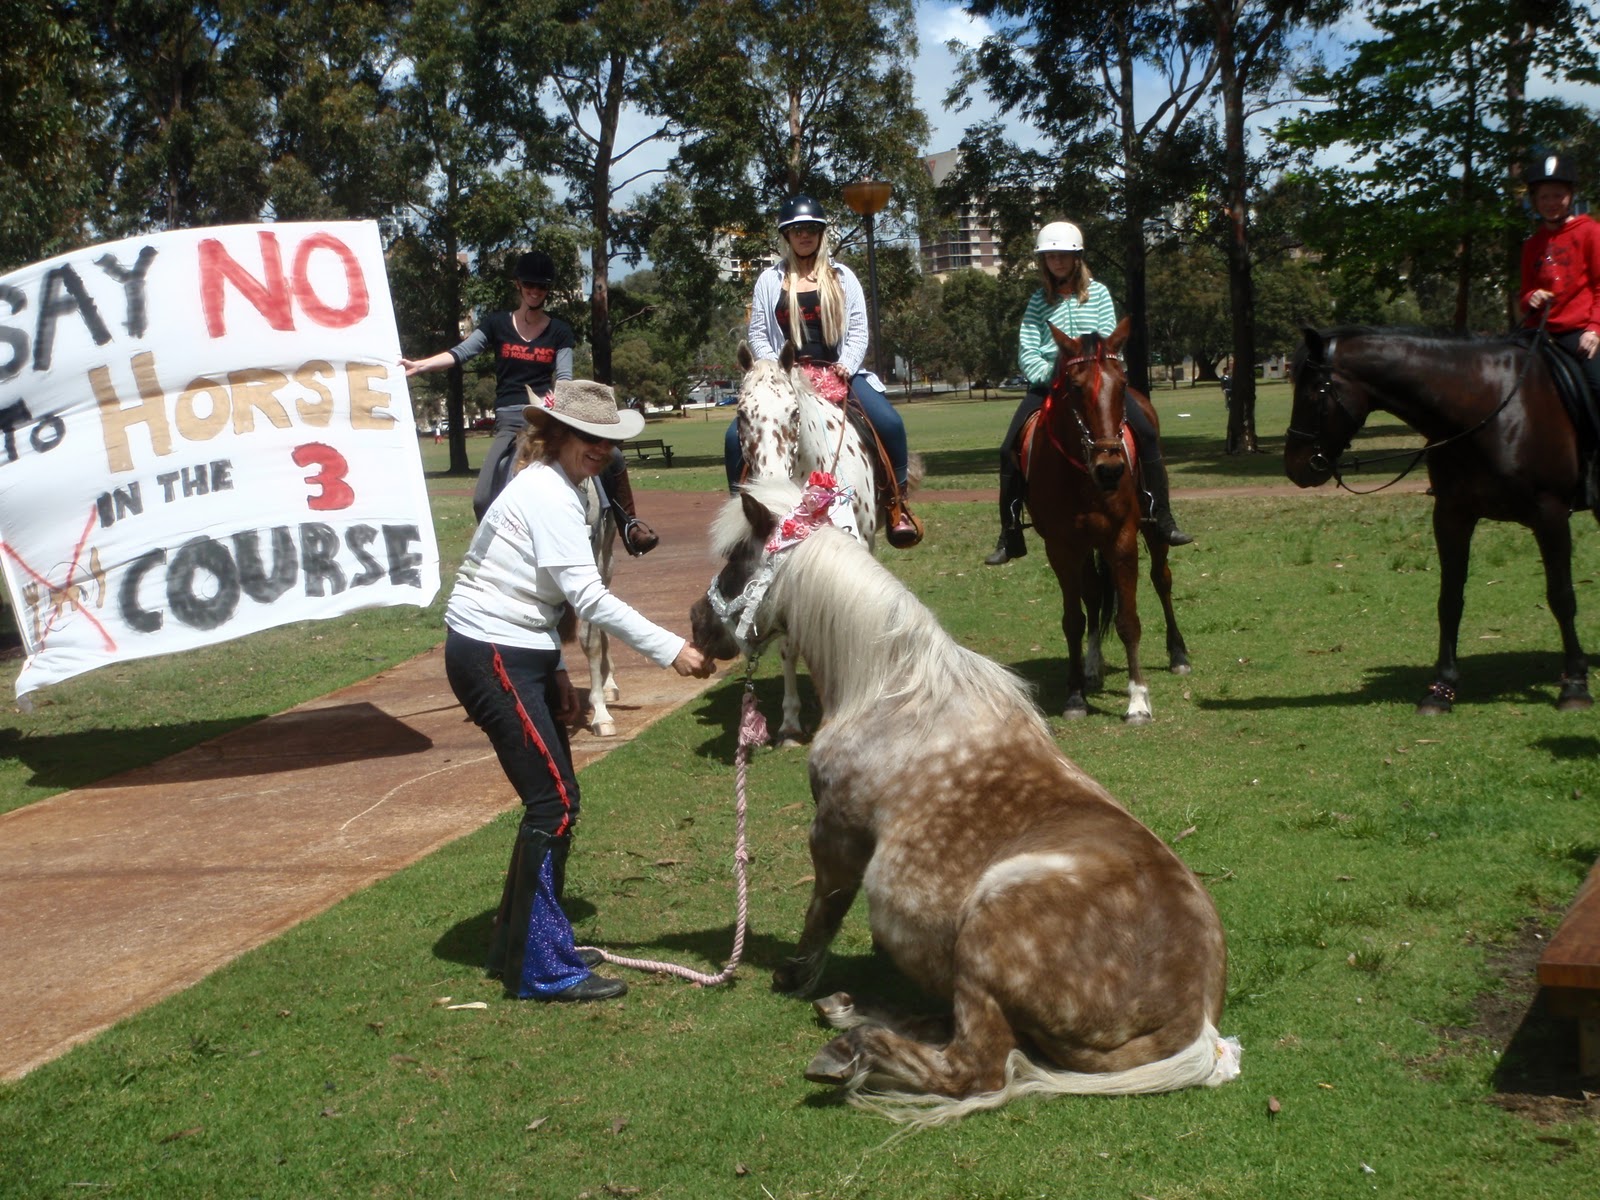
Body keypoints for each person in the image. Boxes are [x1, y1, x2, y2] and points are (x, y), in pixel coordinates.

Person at [444, 379, 709, 1002]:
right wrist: (671, 649)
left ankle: (526, 943)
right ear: (557, 434)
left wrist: (556, 666)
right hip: (492, 651)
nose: (600, 449)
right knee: (555, 802)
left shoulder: (567, 486)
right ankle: (541, 967)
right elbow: (587, 597)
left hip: (515, 646)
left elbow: (544, 590)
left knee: (555, 801)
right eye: (589, 436)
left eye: (608, 440)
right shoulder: (549, 494)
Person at [402, 251, 659, 555]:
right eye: (529, 285)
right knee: (482, 498)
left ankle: (628, 524)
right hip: (509, 421)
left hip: (545, 417)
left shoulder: (560, 331)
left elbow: (563, 376)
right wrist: (420, 365)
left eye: (541, 287)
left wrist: (557, 395)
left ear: (548, 290)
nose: (535, 292)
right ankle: (496, 554)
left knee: (610, 454)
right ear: (518, 285)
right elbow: (461, 352)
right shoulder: (497, 324)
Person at [984, 221, 1192, 565]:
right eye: (1050, 256)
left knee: (1147, 433)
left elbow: (1111, 342)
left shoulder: (1099, 294)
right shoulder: (1038, 301)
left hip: (1098, 387)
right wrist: (1047, 377)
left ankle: (1161, 518)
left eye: (1063, 256)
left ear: (1076, 258)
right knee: (1009, 448)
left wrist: (1098, 372)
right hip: (1050, 385)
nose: (1057, 262)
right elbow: (1028, 350)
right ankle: (1011, 533)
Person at [728, 193, 921, 547]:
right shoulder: (770, 281)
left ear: (820, 234)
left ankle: (897, 505)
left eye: (811, 230)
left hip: (839, 370)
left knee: (889, 422)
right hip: (784, 376)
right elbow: (758, 331)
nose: (805, 236)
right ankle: (744, 521)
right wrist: (775, 371)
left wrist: (846, 365)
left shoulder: (843, 277)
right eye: (797, 230)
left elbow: (860, 328)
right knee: (732, 438)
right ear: (786, 236)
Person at [1520, 153, 1600, 409]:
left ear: (1570, 197)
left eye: (1558, 195)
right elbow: (1524, 294)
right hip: (1539, 331)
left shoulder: (1590, 233)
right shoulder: (1532, 245)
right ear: (1535, 200)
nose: (1551, 202)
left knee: (1597, 386)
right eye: (1544, 196)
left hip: (1579, 332)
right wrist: (1531, 297)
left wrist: (1595, 329)